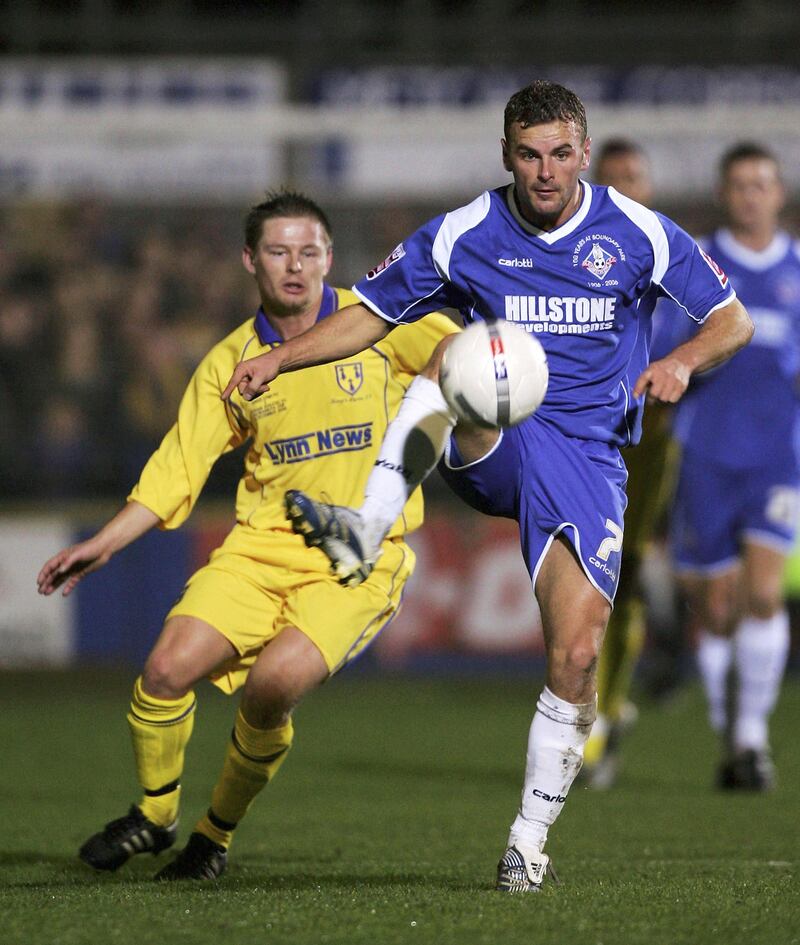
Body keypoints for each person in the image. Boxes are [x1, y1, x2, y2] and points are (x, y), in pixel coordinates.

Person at [223, 81, 753, 892]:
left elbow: (732, 318)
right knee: (449, 354)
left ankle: (526, 844)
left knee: (577, 654)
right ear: (507, 156)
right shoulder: (467, 230)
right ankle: (365, 527)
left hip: (589, 459)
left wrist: (682, 359)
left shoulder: (638, 231)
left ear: (584, 151)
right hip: (499, 438)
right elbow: (370, 311)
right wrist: (279, 356)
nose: (545, 172)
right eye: (528, 155)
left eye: (560, 154)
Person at [36, 191, 457, 880]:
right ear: (249, 260)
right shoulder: (229, 364)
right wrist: (103, 542)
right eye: (278, 251)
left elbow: (472, 354)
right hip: (259, 550)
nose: (295, 266)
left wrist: (467, 396)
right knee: (166, 669)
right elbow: (177, 469)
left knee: (272, 685)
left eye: (309, 251)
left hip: (356, 559)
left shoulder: (380, 322)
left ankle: (212, 836)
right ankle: (156, 815)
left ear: (329, 256)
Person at [668, 143, 799, 791]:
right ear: (724, 192)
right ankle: (731, 731)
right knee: (717, 608)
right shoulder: (697, 262)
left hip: (777, 458)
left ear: (779, 193)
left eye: (762, 184)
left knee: (765, 594)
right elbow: (665, 345)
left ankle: (751, 739)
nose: (752, 194)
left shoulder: (798, 269)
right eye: (740, 184)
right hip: (706, 456)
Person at [580, 139, 680, 788]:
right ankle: (589, 712)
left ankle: (605, 713)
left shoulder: (674, 255)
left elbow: (720, 330)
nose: (622, 188)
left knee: (628, 567)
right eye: (611, 179)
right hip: (586, 434)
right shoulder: (573, 254)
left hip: (654, 436)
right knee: (587, 574)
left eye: (633, 178)